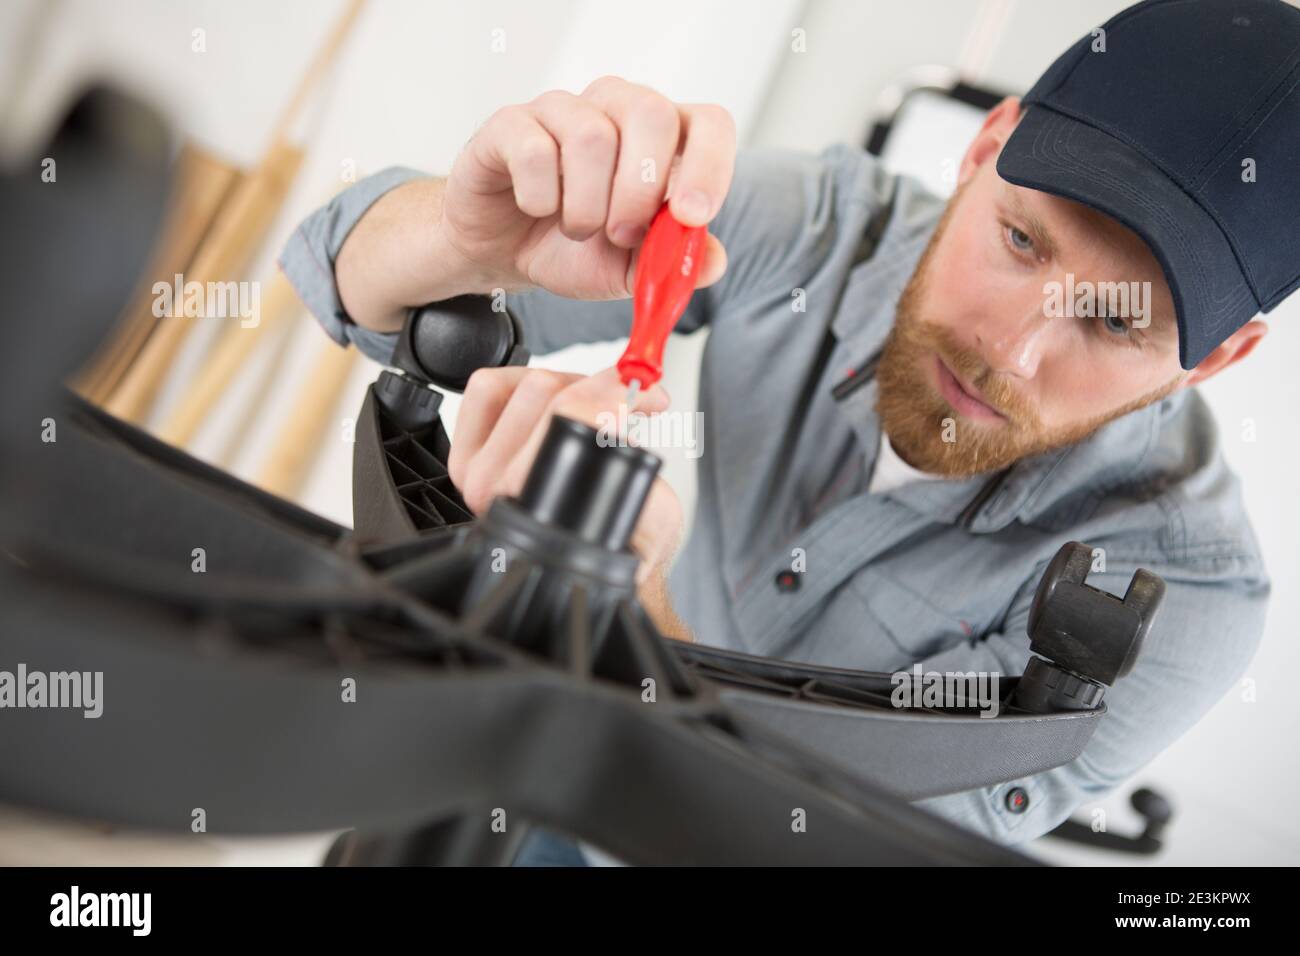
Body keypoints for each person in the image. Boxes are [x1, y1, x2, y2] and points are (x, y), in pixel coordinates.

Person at [281, 0, 1299, 859]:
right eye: (1020, 239)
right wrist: (462, 242)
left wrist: (627, 614)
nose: (1015, 353)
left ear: (1214, 358)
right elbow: (358, 285)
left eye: (1115, 319)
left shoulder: (1186, 592)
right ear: (983, 148)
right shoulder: (823, 225)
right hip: (509, 766)